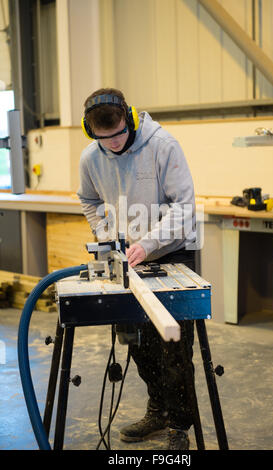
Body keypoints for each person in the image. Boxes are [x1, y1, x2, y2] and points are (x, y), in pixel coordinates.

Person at [77, 88, 198, 450]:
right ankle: (157, 410)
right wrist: (105, 233)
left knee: (173, 346)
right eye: (102, 138)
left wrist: (148, 244)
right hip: (127, 258)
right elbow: (88, 199)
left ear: (128, 119)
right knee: (136, 343)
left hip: (172, 253)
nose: (112, 144)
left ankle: (179, 424)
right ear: (90, 131)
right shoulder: (90, 156)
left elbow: (185, 207)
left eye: (117, 135)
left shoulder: (163, 145)